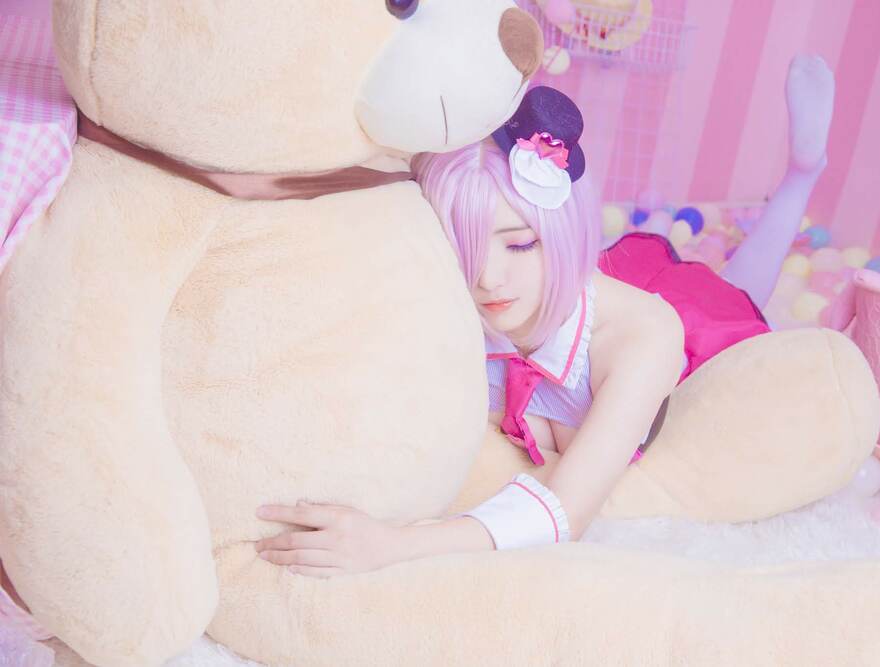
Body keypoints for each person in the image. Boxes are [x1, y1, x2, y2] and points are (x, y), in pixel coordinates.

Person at [253, 55, 835, 575]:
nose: (488, 278)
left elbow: (567, 513)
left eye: (519, 243)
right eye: (464, 249)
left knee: (734, 296)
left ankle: (802, 174)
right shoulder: (449, 292)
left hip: (682, 338)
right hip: (564, 294)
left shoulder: (643, 336)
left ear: (559, 231)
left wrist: (392, 546)